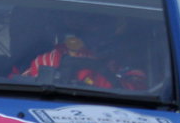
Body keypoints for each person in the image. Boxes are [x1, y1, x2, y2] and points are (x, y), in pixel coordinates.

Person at [15, 20, 148, 91]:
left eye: (94, 25)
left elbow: (140, 94)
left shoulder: (126, 64)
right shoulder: (47, 59)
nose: (84, 29)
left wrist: (98, 70)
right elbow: (17, 87)